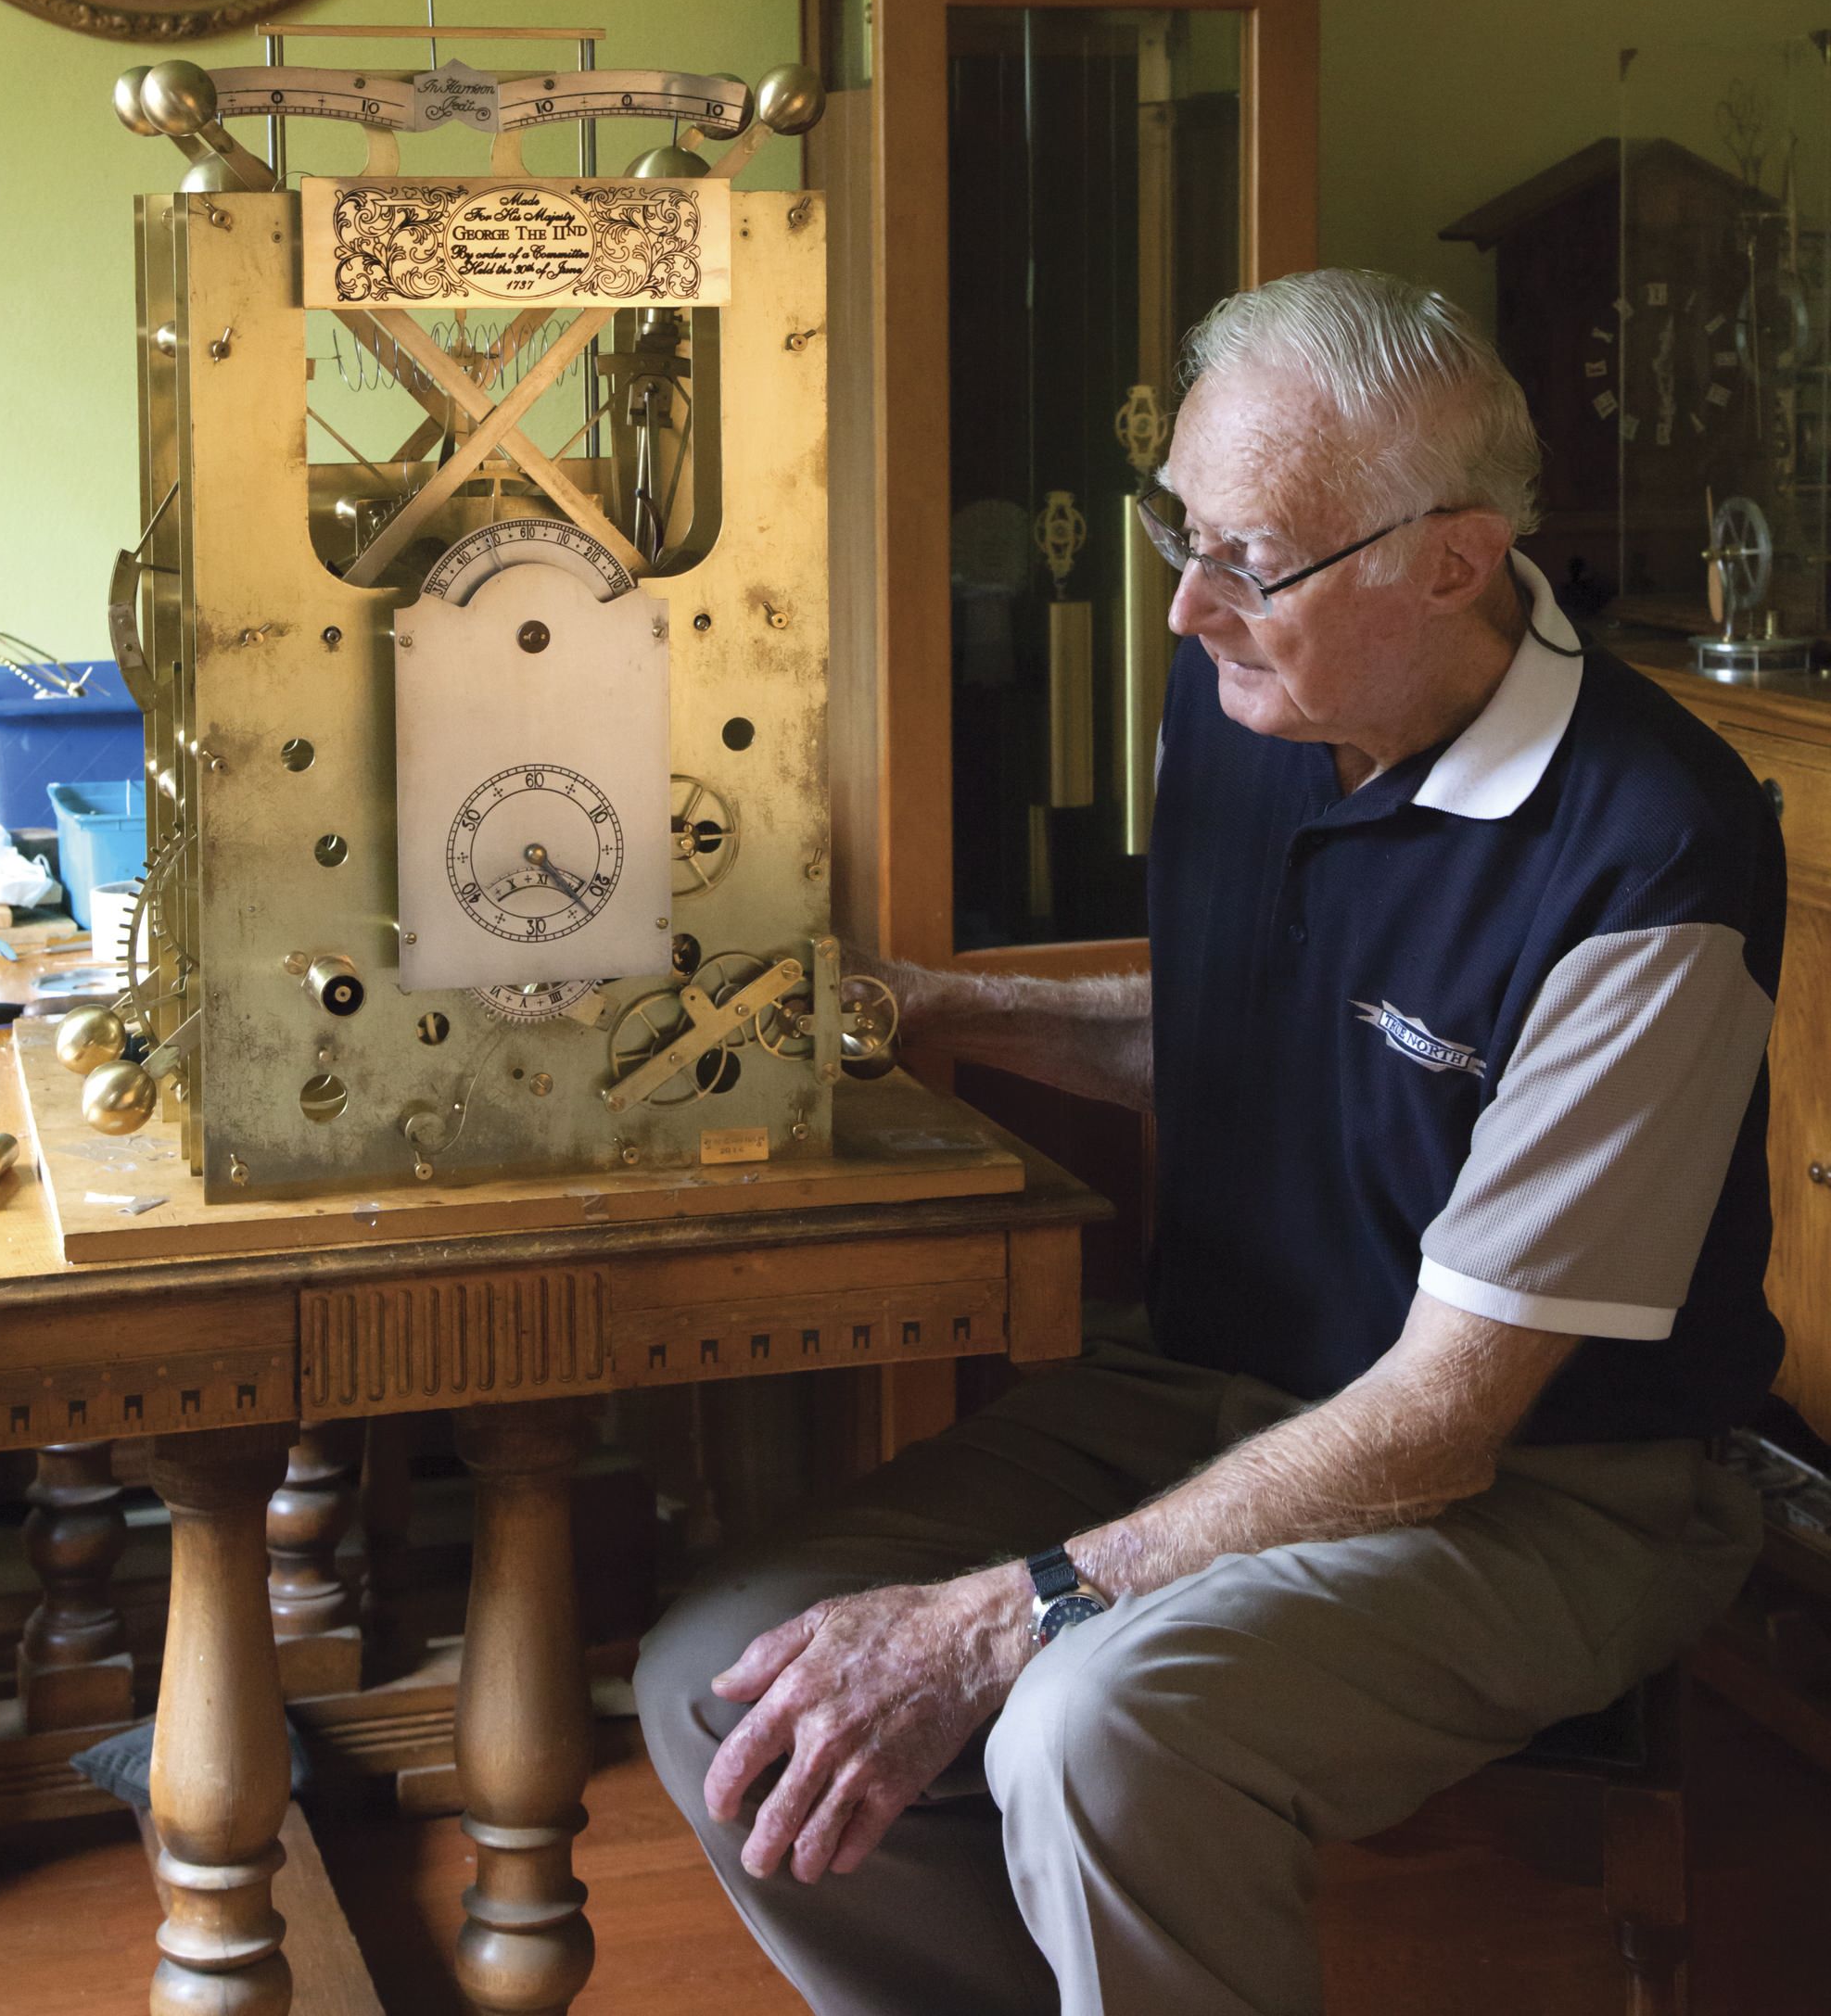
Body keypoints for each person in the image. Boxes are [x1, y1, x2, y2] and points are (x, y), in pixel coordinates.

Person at [637, 270, 1782, 2016]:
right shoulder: (1268, 699)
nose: (1183, 608)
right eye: (1179, 527)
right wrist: (925, 1007)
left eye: (1244, 559)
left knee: (1099, 1731)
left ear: (1452, 561)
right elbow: (1260, 1032)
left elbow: (1443, 1420)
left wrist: (993, 1617)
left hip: (1556, 1487)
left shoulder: (1651, 860)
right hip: (1218, 1388)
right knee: (725, 1677)